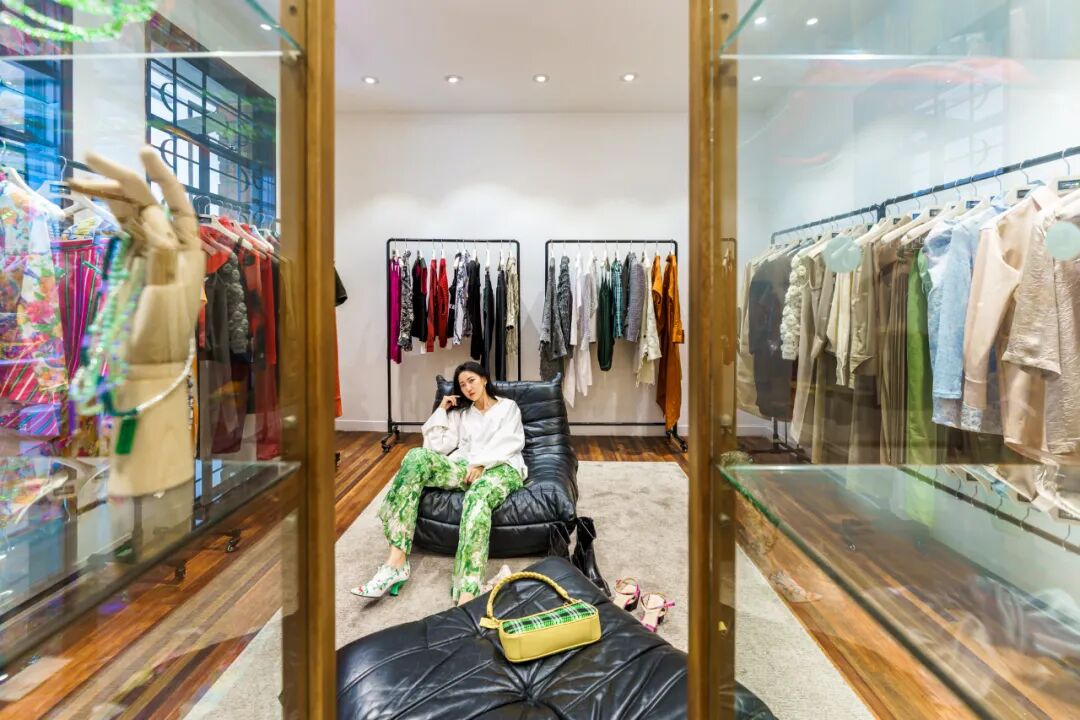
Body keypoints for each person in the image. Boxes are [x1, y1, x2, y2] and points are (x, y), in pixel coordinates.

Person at [351, 361, 527, 605]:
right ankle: (395, 563)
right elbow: (435, 447)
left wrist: (482, 464)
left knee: (477, 498)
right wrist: (442, 410)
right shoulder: (462, 414)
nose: (468, 388)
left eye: (472, 381)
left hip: (502, 468)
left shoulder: (508, 407)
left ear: (484, 379)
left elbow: (511, 441)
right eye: (462, 385)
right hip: (467, 468)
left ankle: (468, 593)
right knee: (416, 457)